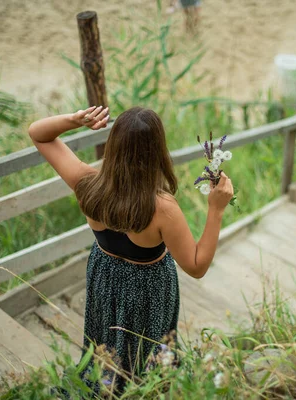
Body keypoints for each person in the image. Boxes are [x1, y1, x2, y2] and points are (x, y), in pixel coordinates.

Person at [28, 105, 233, 396]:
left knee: (105, 346)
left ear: (113, 146)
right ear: (157, 152)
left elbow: (39, 134)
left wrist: (74, 120)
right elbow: (197, 266)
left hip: (104, 277)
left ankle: (105, 384)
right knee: (147, 356)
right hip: (147, 289)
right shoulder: (162, 208)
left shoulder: (88, 183)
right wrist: (216, 210)